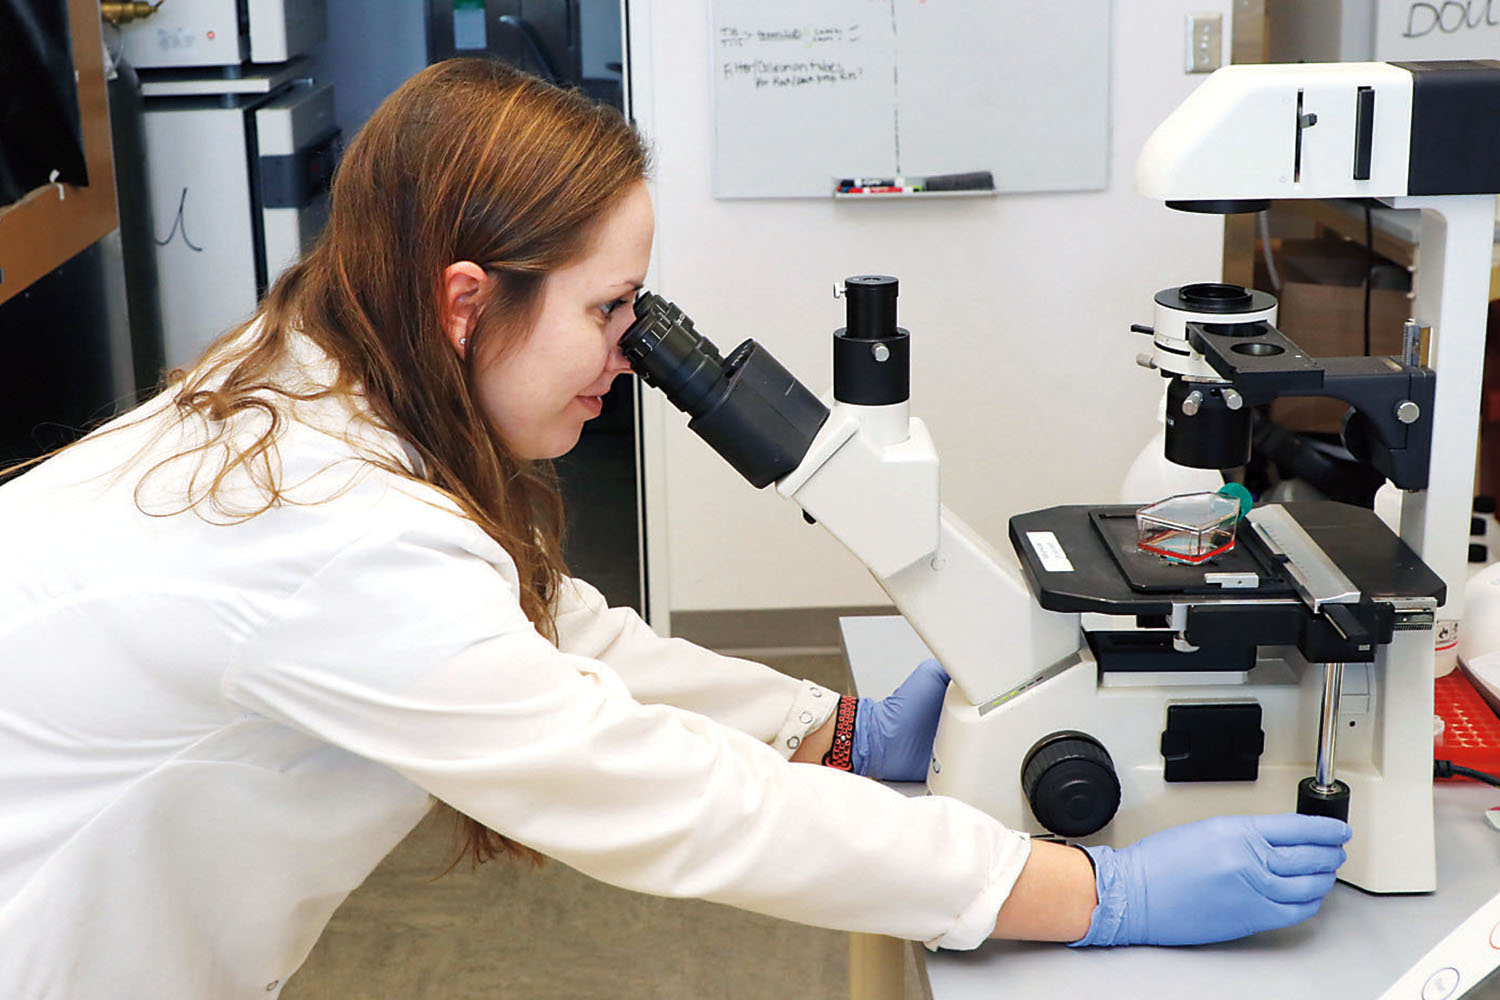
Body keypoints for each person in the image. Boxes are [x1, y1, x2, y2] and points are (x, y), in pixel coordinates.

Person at [0, 58, 1350, 997]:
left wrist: (826, 731)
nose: (628, 354)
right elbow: (677, 805)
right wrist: (1083, 895)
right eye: (608, 311)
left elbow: (537, 624)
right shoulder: (333, 537)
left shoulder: (325, 358)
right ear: (467, 301)